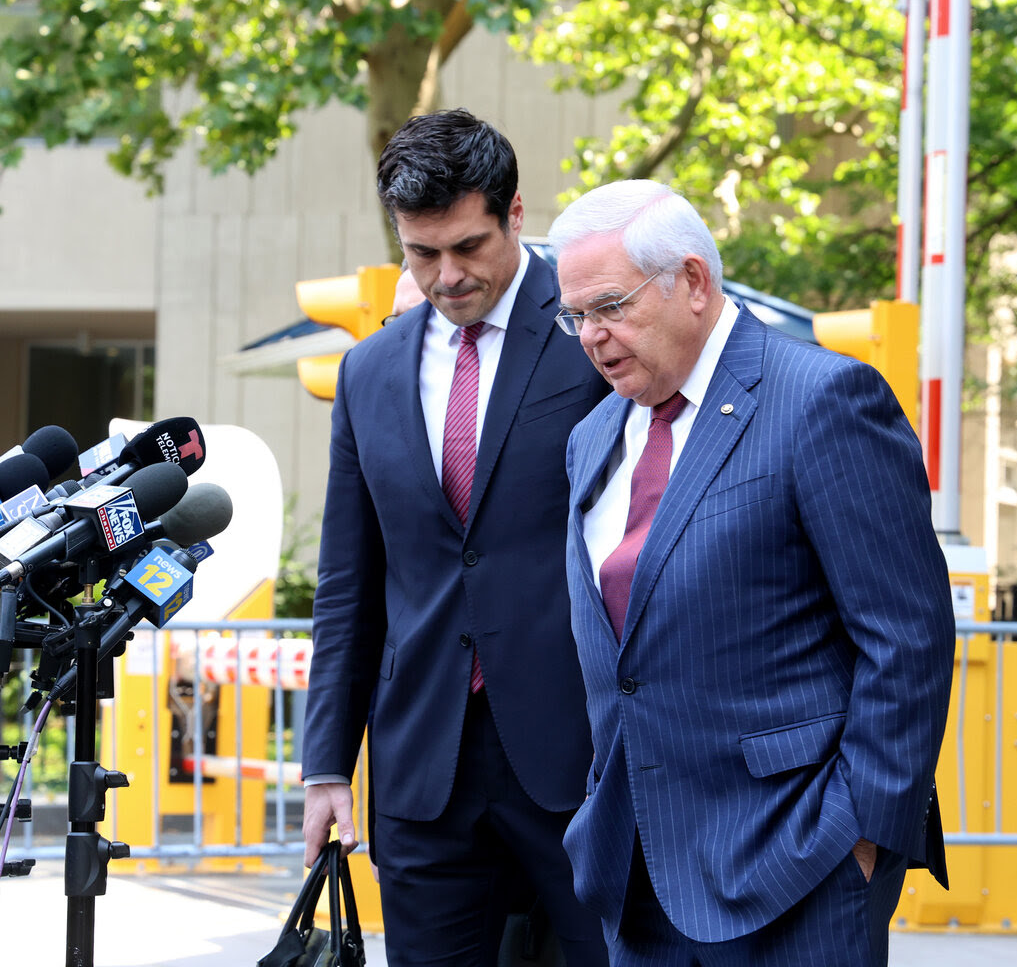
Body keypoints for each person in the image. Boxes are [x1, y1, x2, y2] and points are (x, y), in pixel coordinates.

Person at [548, 179, 955, 966]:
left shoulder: (822, 400)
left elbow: (907, 638)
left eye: (610, 306)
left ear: (694, 282)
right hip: (637, 872)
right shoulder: (593, 436)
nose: (592, 336)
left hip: (797, 864)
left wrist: (862, 837)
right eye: (575, 318)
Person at [301, 108, 609, 967]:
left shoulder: (593, 337)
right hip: (421, 769)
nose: (447, 276)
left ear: (515, 215)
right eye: (421, 253)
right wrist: (327, 763)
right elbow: (348, 585)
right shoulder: (369, 371)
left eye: (468, 247)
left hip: (578, 754)